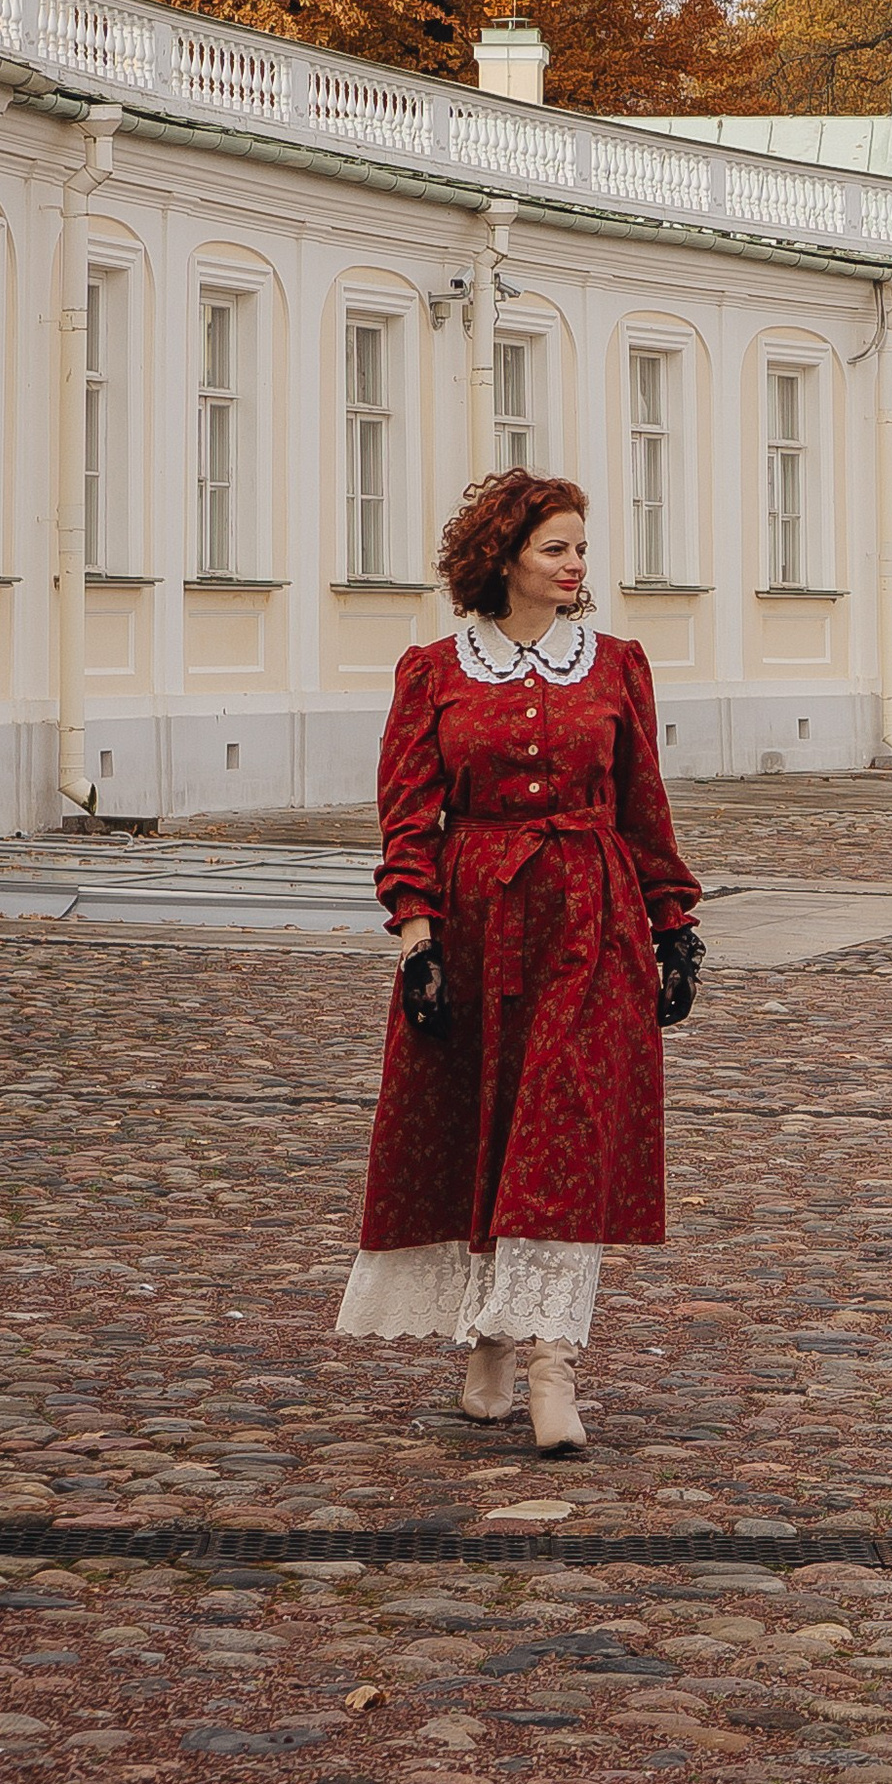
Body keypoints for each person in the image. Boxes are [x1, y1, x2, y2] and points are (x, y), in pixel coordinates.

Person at [333, 467, 705, 1454]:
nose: (576, 565)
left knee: (563, 1131)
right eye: (557, 548)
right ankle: (487, 1339)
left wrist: (673, 923)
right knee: (481, 1128)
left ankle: (553, 1364)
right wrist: (418, 942)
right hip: (474, 915)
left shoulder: (618, 663)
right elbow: (407, 816)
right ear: (502, 559)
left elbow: (643, 801)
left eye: (582, 548)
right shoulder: (434, 671)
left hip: (594, 919)